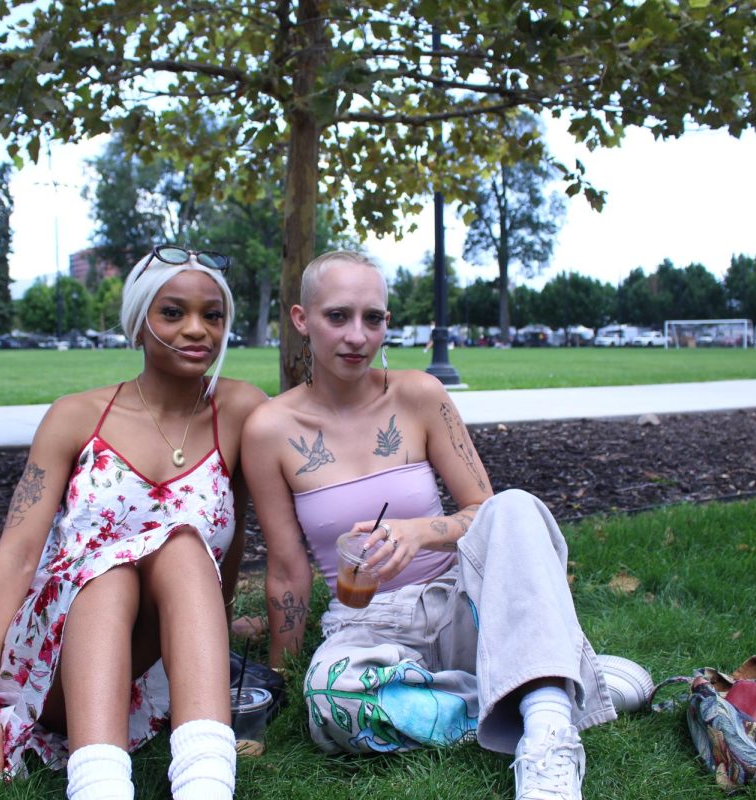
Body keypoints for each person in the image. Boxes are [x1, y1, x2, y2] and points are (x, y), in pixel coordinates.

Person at [241, 250, 616, 800]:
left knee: (516, 505)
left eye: (373, 318)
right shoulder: (269, 429)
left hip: (459, 603)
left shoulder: (419, 396)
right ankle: (541, 686)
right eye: (338, 316)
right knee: (331, 703)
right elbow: (287, 567)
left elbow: (484, 515)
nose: (357, 336)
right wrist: (281, 683)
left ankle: (548, 740)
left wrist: (420, 531)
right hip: (364, 624)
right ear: (301, 319)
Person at [0, 245, 266, 800]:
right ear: (138, 322)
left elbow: (233, 541)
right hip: (62, 656)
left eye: (212, 315)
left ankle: (206, 786)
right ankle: (98, 787)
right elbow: (17, 555)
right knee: (114, 567)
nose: (197, 329)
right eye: (173, 312)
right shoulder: (75, 415)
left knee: (186, 547)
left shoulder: (239, 412)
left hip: (154, 659)